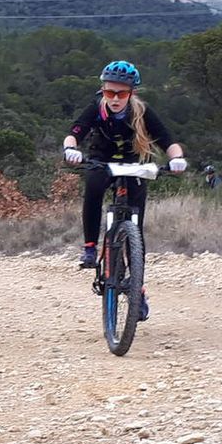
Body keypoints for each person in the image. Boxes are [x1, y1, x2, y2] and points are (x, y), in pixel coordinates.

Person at [62, 60, 187, 320]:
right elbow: (75, 132)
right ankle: (89, 247)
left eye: (121, 93)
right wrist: (71, 149)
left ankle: (136, 287)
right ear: (102, 91)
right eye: (109, 93)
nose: (115, 99)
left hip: (133, 165)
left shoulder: (142, 112)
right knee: (94, 188)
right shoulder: (96, 109)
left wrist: (177, 159)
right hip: (100, 161)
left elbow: (168, 141)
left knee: (136, 228)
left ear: (132, 93)